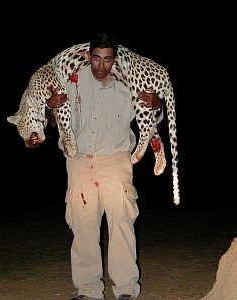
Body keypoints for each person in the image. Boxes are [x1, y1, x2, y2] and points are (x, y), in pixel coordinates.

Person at [45, 32, 162, 300]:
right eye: (96, 58)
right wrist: (50, 108)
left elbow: (151, 116)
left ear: (114, 59)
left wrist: (157, 106)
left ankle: (127, 290)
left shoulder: (128, 82)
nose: (101, 66)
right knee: (83, 226)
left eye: (107, 60)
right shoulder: (71, 81)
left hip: (116, 161)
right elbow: (54, 122)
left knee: (122, 224)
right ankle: (88, 290)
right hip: (79, 161)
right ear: (88, 55)